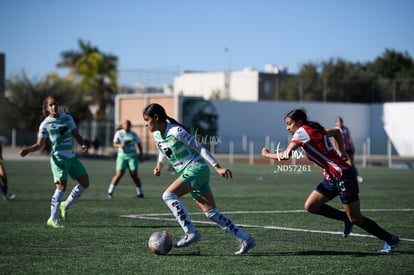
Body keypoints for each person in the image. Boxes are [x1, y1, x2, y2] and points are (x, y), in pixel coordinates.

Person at [261, 109, 400, 254]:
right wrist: (341, 151)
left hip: (342, 175)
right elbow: (336, 133)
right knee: (311, 206)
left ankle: (390, 239)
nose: (287, 128)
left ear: (300, 122)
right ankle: (345, 219)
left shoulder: (302, 132)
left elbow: (286, 155)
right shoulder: (313, 129)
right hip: (331, 177)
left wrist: (266, 154)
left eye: (289, 124)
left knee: (356, 218)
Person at [142, 103, 256, 255]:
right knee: (211, 213)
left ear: (156, 118)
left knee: (168, 195)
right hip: (189, 172)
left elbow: (200, 148)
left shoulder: (176, 131)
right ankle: (246, 239)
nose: (145, 124)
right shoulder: (157, 135)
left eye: (146, 119)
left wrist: (217, 167)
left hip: (196, 169)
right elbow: (163, 150)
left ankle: (190, 232)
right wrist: (159, 165)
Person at [20, 96, 90, 228]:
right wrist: (28, 150)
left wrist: (83, 144)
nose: (54, 107)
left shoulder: (68, 118)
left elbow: (76, 134)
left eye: (56, 104)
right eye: (51, 105)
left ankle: (65, 204)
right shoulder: (45, 124)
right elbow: (39, 144)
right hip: (58, 158)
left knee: (85, 183)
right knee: (61, 187)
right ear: (47, 108)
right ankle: (52, 218)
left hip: (71, 157)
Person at [107, 119, 144, 199]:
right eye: (125, 124)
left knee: (134, 174)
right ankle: (110, 192)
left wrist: (141, 155)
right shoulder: (119, 133)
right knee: (119, 174)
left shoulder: (133, 134)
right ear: (122, 125)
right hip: (122, 156)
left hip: (132, 156)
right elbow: (114, 144)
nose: (127, 125)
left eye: (128, 124)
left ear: (130, 125)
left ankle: (140, 193)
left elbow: (139, 145)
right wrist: (120, 145)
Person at [335, 116, 363, 183]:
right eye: (339, 121)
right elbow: (334, 141)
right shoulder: (335, 129)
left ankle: (355, 176)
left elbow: (349, 138)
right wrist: (337, 150)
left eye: (341, 121)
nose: (340, 122)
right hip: (342, 150)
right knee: (344, 163)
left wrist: (352, 145)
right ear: (336, 122)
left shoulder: (346, 128)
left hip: (349, 148)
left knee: (351, 163)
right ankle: (344, 176)